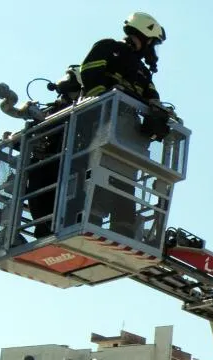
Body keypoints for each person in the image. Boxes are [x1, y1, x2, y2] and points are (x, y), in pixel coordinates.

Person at [78, 12, 171, 240]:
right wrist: (106, 104)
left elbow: (153, 99)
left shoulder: (143, 72)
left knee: (125, 186)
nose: (152, 49)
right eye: (153, 42)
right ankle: (91, 228)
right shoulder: (108, 47)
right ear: (145, 34)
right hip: (100, 129)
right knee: (100, 180)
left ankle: (123, 233)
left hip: (129, 140)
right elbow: (90, 74)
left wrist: (161, 116)